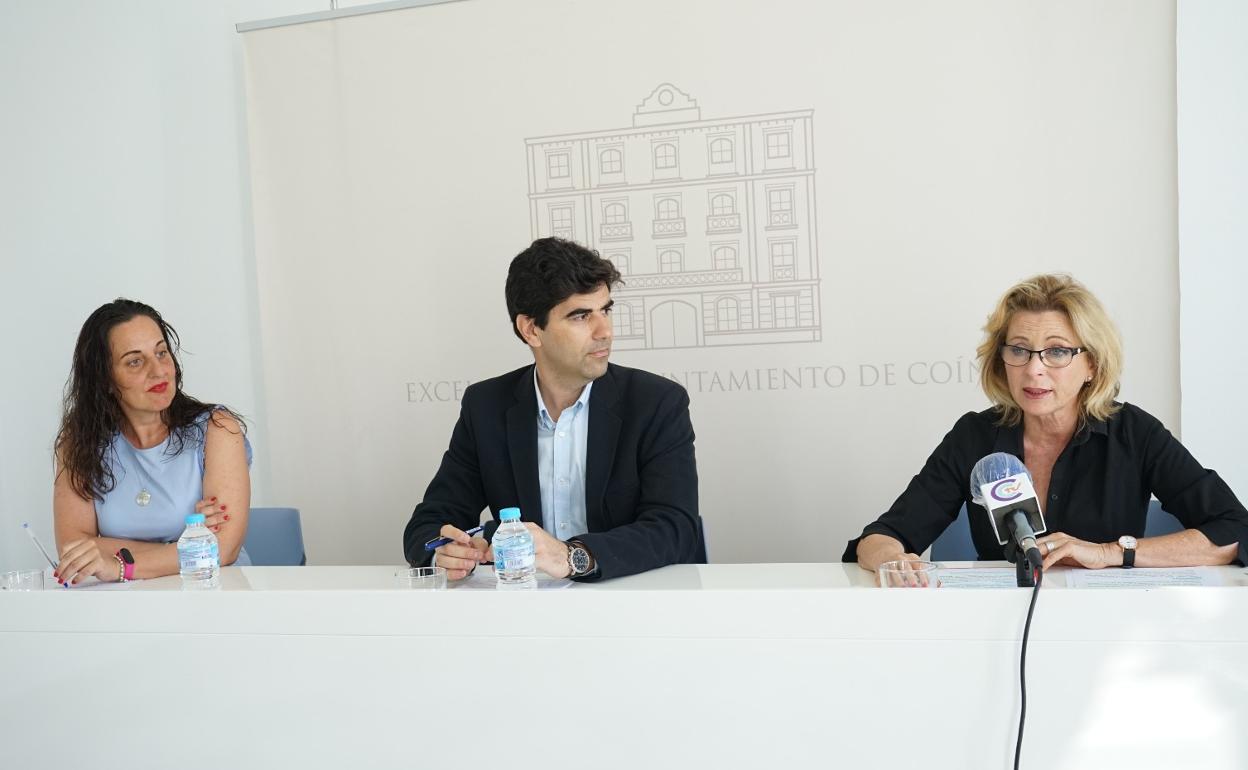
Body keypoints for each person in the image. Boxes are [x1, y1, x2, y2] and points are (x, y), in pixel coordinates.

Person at [847, 274, 1246, 572]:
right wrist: (893, 562)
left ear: (1091, 364)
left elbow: (1235, 531)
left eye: (1056, 352)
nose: (1034, 369)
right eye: (1019, 350)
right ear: (1002, 362)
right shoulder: (974, 437)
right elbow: (880, 538)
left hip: (1109, 632)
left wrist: (1109, 552)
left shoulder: (1134, 434)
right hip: (1003, 627)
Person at [402, 237, 704, 581]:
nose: (604, 331)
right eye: (580, 316)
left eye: (605, 310)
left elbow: (675, 528)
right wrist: (442, 550)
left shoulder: (656, 402)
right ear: (531, 329)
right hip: (527, 610)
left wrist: (573, 557)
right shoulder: (486, 406)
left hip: (634, 602)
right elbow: (429, 523)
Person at [52, 299, 252, 585]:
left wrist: (117, 562)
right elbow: (74, 550)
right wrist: (188, 545)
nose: (158, 371)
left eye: (161, 353)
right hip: (125, 604)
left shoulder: (218, 429)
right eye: (135, 361)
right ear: (105, 380)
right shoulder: (79, 444)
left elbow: (225, 547)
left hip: (212, 594)